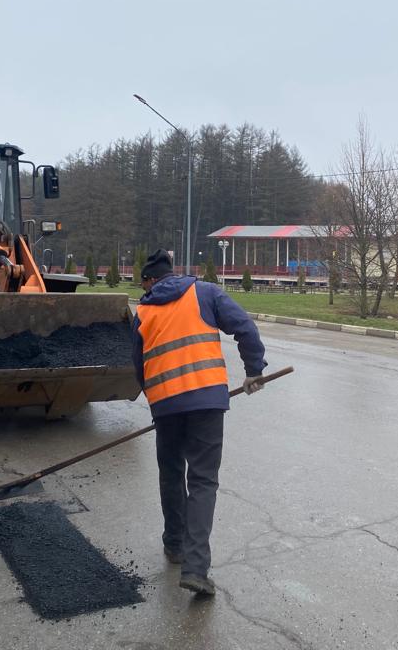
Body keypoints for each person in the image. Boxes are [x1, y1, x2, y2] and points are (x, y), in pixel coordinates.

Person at [131, 249, 266, 596]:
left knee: (171, 473)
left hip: (166, 407)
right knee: (203, 481)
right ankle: (195, 569)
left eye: (142, 283)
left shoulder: (144, 311)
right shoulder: (205, 293)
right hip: (206, 403)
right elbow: (245, 328)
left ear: (150, 280)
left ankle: (174, 545)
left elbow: (138, 367)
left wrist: (156, 400)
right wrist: (254, 370)